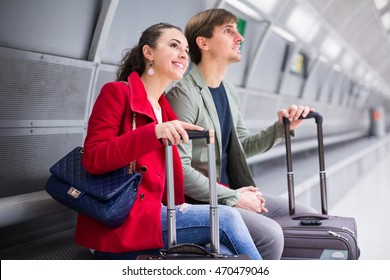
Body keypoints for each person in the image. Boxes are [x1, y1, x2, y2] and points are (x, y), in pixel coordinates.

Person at [74, 22, 261, 260]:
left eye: (185, 49)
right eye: (173, 45)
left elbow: (180, 172)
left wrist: (231, 192)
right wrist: (152, 133)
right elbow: (93, 158)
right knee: (226, 218)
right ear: (148, 52)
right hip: (121, 222)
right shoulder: (117, 93)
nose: (183, 53)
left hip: (157, 215)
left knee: (224, 253)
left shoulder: (165, 110)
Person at [166, 9, 317, 260]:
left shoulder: (229, 91)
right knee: (270, 236)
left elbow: (241, 146)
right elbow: (179, 171)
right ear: (203, 43)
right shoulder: (184, 94)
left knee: (305, 216)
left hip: (231, 191)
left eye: (237, 30)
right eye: (228, 31)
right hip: (202, 200)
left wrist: (284, 128)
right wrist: (234, 196)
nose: (240, 37)